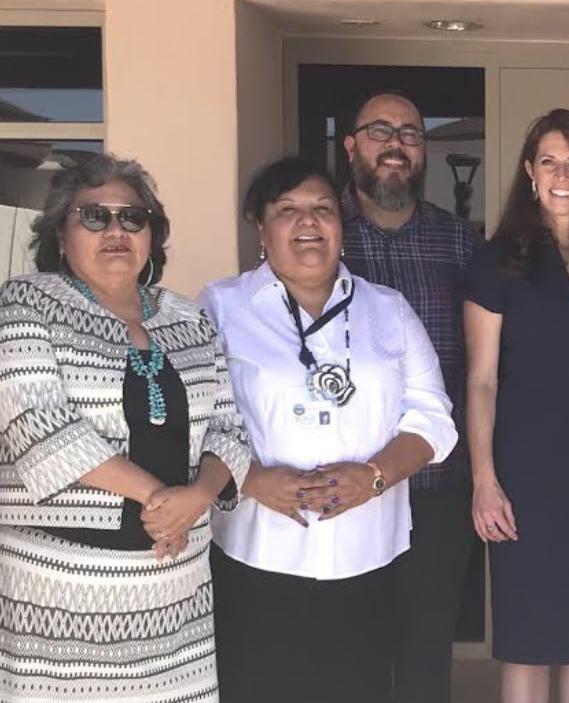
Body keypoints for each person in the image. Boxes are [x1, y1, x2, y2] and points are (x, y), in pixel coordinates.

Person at [202, 157, 457, 703]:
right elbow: (191, 418)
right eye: (287, 210)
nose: (308, 222)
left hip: (365, 554)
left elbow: (433, 417)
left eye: (322, 209)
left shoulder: (387, 309)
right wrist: (250, 480)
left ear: (341, 225)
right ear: (260, 228)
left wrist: (374, 476)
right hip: (258, 552)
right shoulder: (220, 307)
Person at [0, 154, 251, 701]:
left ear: (152, 236)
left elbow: (230, 431)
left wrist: (200, 495)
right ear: (61, 237)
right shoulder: (24, 305)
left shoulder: (188, 319)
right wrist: (163, 499)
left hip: (174, 593)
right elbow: (38, 430)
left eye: (132, 218)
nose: (116, 230)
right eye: (94, 216)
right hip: (61, 594)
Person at [464, 108, 569, 703]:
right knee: (529, 637)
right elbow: (482, 379)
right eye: (549, 161)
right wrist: (484, 480)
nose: (562, 175)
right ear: (529, 173)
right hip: (524, 470)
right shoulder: (499, 260)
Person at [339, 90, 483, 703]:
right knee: (351, 652)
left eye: (410, 133)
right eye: (379, 131)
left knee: (427, 658)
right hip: (340, 488)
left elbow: (487, 366)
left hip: (435, 488)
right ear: (351, 147)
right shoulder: (320, 235)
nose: (396, 144)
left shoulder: (460, 244)